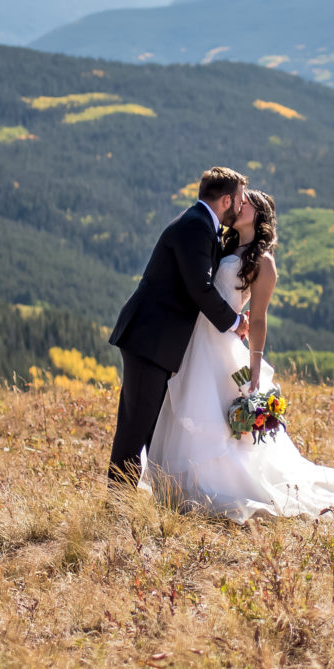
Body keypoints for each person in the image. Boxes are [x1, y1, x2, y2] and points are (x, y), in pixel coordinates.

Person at [144, 189, 334, 521]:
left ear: (261, 217)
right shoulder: (223, 244)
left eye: (248, 203)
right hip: (193, 340)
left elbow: (257, 318)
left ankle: (211, 485)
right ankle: (171, 484)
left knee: (213, 421)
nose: (240, 204)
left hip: (218, 345)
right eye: (241, 200)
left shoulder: (263, 262)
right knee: (184, 408)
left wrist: (255, 365)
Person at [107, 166, 249, 486]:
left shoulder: (200, 225)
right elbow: (200, 288)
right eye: (239, 200)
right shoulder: (195, 226)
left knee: (149, 426)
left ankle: (139, 496)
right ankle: (118, 502)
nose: (241, 206)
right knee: (136, 425)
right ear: (226, 200)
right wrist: (235, 321)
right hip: (149, 339)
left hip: (156, 341)